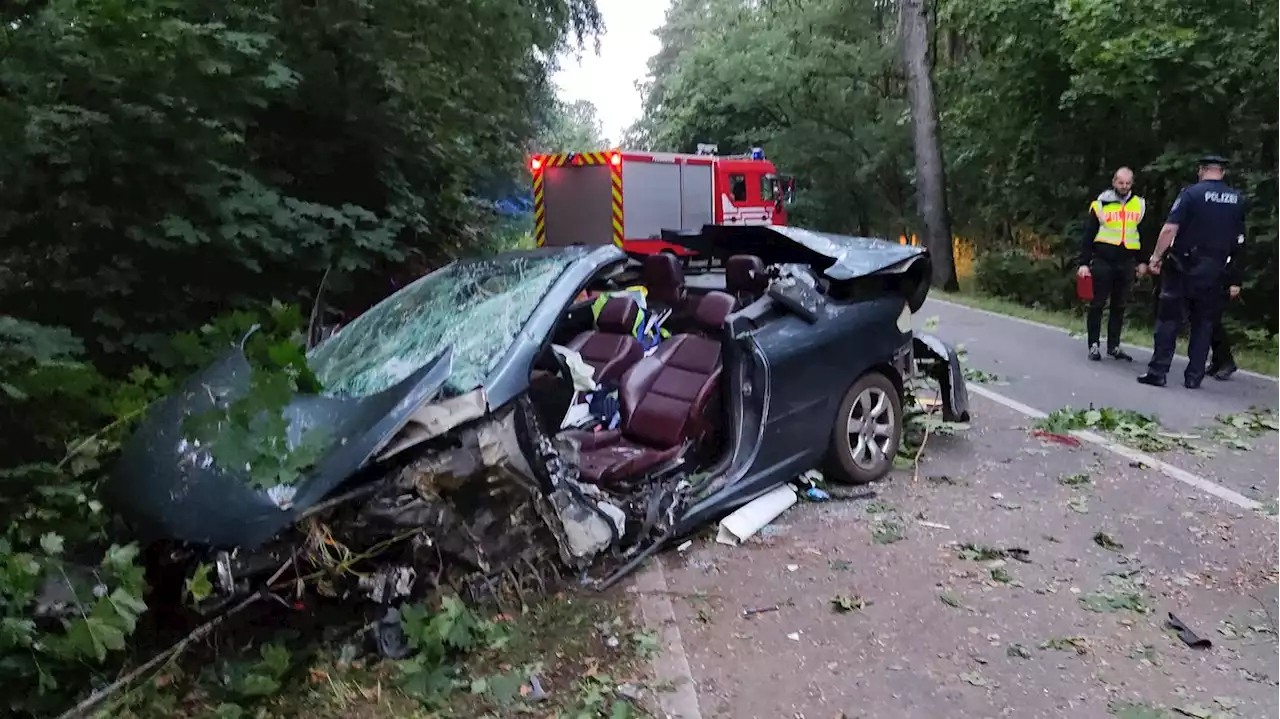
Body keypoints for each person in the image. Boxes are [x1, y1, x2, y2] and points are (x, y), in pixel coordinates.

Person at [1138, 154, 1246, 389]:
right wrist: (1235, 277)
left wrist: (1156, 257)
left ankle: (1158, 371)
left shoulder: (1191, 194)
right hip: (1216, 270)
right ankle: (1194, 377)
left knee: (1169, 320)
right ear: (1222, 173)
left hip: (1184, 267)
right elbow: (1239, 242)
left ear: (1201, 170)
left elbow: (1169, 229)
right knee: (1204, 324)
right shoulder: (1237, 199)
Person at [1078, 167, 1147, 362]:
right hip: (1103, 259)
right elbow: (1089, 234)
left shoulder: (1139, 205)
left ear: (1132, 183)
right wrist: (1083, 262)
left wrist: (1143, 261)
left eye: (1127, 183)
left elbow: (1140, 234)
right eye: (1120, 182)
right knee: (1097, 304)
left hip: (1126, 261)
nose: (1124, 186)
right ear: (1114, 181)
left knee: (1120, 305)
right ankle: (1093, 344)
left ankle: (1114, 346)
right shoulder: (1101, 203)